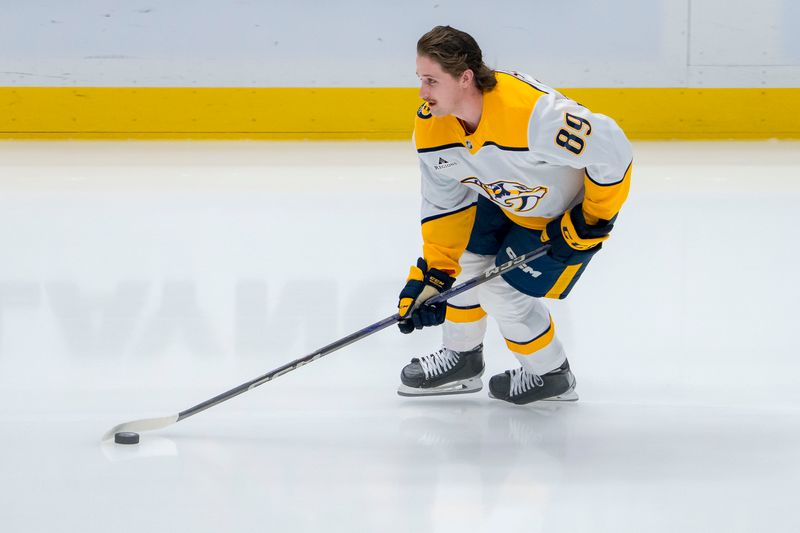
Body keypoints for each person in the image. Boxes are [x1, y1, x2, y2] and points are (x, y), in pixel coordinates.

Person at [396, 26, 632, 404]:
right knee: (467, 263)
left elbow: (613, 151)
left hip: (560, 217)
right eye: (420, 80)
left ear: (465, 78)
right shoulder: (431, 126)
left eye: (431, 81)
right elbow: (445, 202)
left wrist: (593, 219)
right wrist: (436, 273)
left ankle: (551, 374)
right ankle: (462, 359)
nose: (422, 93)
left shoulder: (534, 117)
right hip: (504, 194)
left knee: (501, 290)